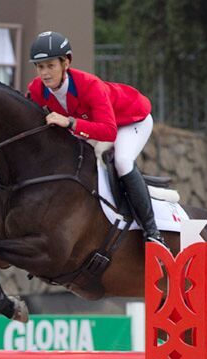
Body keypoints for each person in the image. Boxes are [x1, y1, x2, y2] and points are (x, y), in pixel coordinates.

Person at [26, 31, 164, 245]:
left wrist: (70, 122)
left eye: (50, 65)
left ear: (66, 63)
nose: (44, 73)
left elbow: (109, 132)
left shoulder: (90, 85)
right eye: (39, 66)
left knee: (122, 161)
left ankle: (152, 232)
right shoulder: (36, 89)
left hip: (132, 119)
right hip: (96, 125)